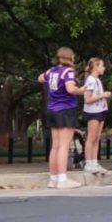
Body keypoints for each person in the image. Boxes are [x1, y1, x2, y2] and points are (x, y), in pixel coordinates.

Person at [39, 47, 85, 190]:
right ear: (70, 57)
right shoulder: (68, 72)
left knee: (55, 146)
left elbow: (40, 78)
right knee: (64, 146)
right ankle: (63, 179)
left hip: (52, 109)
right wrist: (82, 90)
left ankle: (53, 179)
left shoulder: (51, 71)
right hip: (65, 109)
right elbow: (71, 89)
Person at [81, 58, 111, 175]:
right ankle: (88, 163)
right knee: (91, 137)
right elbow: (87, 99)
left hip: (101, 110)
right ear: (95, 67)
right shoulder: (90, 80)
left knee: (97, 138)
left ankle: (94, 162)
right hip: (93, 111)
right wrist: (102, 95)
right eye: (102, 66)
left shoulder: (97, 80)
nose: (104, 68)